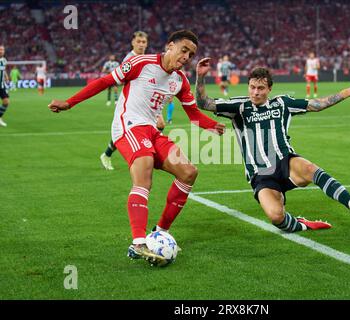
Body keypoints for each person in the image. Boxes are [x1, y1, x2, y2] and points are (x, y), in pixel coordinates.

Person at [48, 30, 225, 266]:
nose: (186, 57)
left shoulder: (180, 80)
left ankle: (159, 231)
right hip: (128, 127)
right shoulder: (141, 63)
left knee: (189, 172)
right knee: (144, 174)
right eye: (184, 50)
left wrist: (215, 126)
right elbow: (105, 82)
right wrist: (69, 103)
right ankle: (138, 243)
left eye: (191, 54)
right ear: (170, 46)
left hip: (152, 131)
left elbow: (194, 115)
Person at [195, 58, 350, 233]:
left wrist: (345, 93)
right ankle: (302, 225)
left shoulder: (282, 104)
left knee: (310, 168)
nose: (255, 92)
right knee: (276, 216)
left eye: (261, 88)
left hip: (285, 162)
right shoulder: (239, 107)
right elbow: (204, 103)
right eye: (252, 87)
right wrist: (200, 77)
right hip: (261, 175)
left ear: (269, 89)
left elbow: (316, 105)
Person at [100, 31, 166, 171]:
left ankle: (150, 151)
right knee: (124, 133)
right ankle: (107, 154)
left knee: (160, 125)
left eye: (144, 42)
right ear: (133, 42)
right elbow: (122, 80)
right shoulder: (129, 59)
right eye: (139, 42)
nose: (141, 44)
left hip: (147, 102)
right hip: (131, 104)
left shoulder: (148, 58)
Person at [0, 45, 10, 127]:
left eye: (3, 49)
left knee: (6, 102)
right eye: (0, 49)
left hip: (1, 85)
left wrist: (6, 77)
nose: (1, 51)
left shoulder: (4, 60)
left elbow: (3, 70)